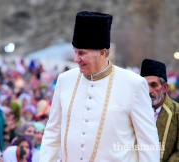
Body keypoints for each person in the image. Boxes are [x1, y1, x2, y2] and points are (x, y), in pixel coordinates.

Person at [39, 11, 160, 161]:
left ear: (102, 53)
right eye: (75, 52)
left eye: (82, 53)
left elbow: (148, 143)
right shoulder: (64, 80)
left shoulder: (134, 84)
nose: (76, 59)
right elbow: (52, 133)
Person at [140, 59, 179, 162]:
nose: (148, 91)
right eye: (144, 85)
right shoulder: (134, 110)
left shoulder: (177, 113)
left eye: (153, 85)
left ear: (164, 87)